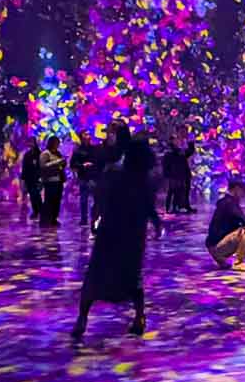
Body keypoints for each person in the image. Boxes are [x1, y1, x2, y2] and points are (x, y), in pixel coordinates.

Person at [73, 138, 162, 342]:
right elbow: (149, 207)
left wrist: (96, 218)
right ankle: (139, 317)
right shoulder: (145, 180)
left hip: (112, 231)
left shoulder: (115, 174)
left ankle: (82, 318)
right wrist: (156, 223)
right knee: (132, 276)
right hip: (132, 234)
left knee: (97, 274)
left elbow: (102, 197)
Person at [205, 177, 245, 270]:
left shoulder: (227, 202)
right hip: (216, 247)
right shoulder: (228, 203)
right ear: (236, 189)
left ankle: (222, 260)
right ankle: (238, 263)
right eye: (242, 191)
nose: (244, 195)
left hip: (215, 245)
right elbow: (243, 219)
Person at [71, 132, 102, 224]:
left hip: (94, 177)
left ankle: (95, 218)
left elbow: (99, 162)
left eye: (89, 134)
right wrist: (82, 165)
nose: (88, 136)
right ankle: (84, 219)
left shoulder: (95, 149)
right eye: (85, 134)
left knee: (96, 199)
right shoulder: (78, 150)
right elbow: (73, 164)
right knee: (84, 199)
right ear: (81, 137)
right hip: (83, 177)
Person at [162, 133, 195, 214]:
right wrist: (168, 174)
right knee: (173, 191)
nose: (178, 141)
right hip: (175, 174)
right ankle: (171, 207)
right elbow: (166, 163)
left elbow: (188, 152)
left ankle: (183, 206)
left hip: (183, 173)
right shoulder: (170, 151)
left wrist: (191, 143)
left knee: (184, 190)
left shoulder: (179, 150)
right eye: (175, 140)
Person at [39, 136, 67, 227]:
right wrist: (57, 162)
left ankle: (54, 219)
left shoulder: (58, 153)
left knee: (57, 201)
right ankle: (45, 220)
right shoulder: (45, 153)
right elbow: (43, 166)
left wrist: (63, 163)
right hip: (50, 181)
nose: (58, 145)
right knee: (49, 201)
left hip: (59, 180)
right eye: (56, 143)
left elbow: (61, 165)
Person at [20, 136, 43, 221]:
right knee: (32, 196)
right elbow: (24, 168)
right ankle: (35, 211)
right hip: (29, 178)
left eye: (32, 142)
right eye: (29, 142)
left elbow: (42, 167)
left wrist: (41, 177)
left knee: (36, 194)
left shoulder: (40, 154)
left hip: (37, 178)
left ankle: (40, 211)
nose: (31, 144)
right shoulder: (27, 155)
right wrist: (23, 179)